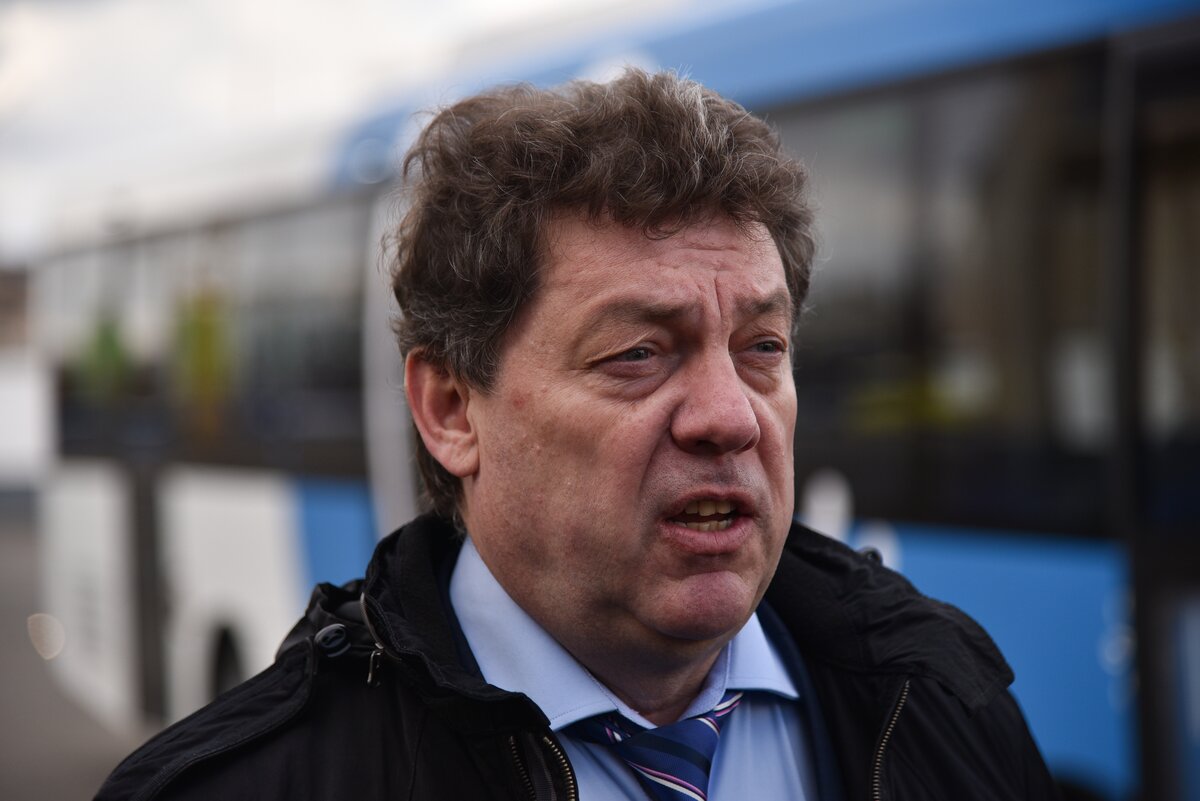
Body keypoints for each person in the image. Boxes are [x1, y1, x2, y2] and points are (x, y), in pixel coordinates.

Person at [97, 70, 1059, 801]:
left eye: (762, 347)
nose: (730, 416)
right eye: (638, 353)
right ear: (451, 409)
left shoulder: (944, 701)